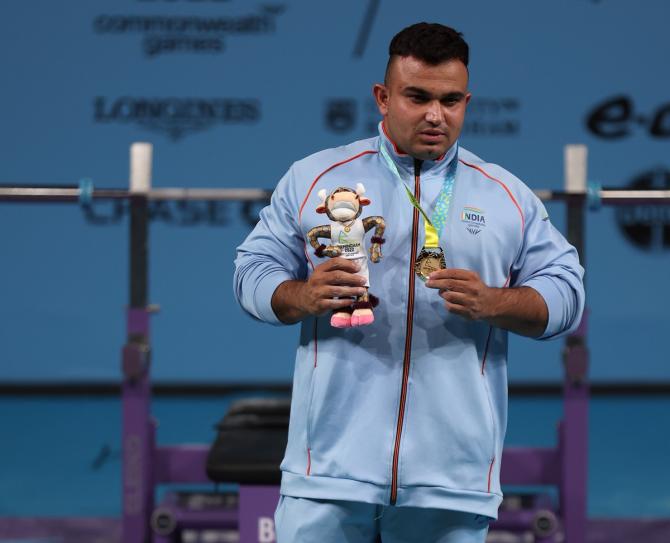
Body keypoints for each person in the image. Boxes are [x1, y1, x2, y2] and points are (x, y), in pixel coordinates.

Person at [234, 22, 584, 543]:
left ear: (467, 100)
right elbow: (251, 271)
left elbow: (567, 295)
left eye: (450, 100)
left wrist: (496, 302)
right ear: (383, 97)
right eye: (417, 97)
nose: (435, 115)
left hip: (452, 480)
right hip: (327, 469)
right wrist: (302, 295)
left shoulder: (505, 196)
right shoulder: (315, 179)